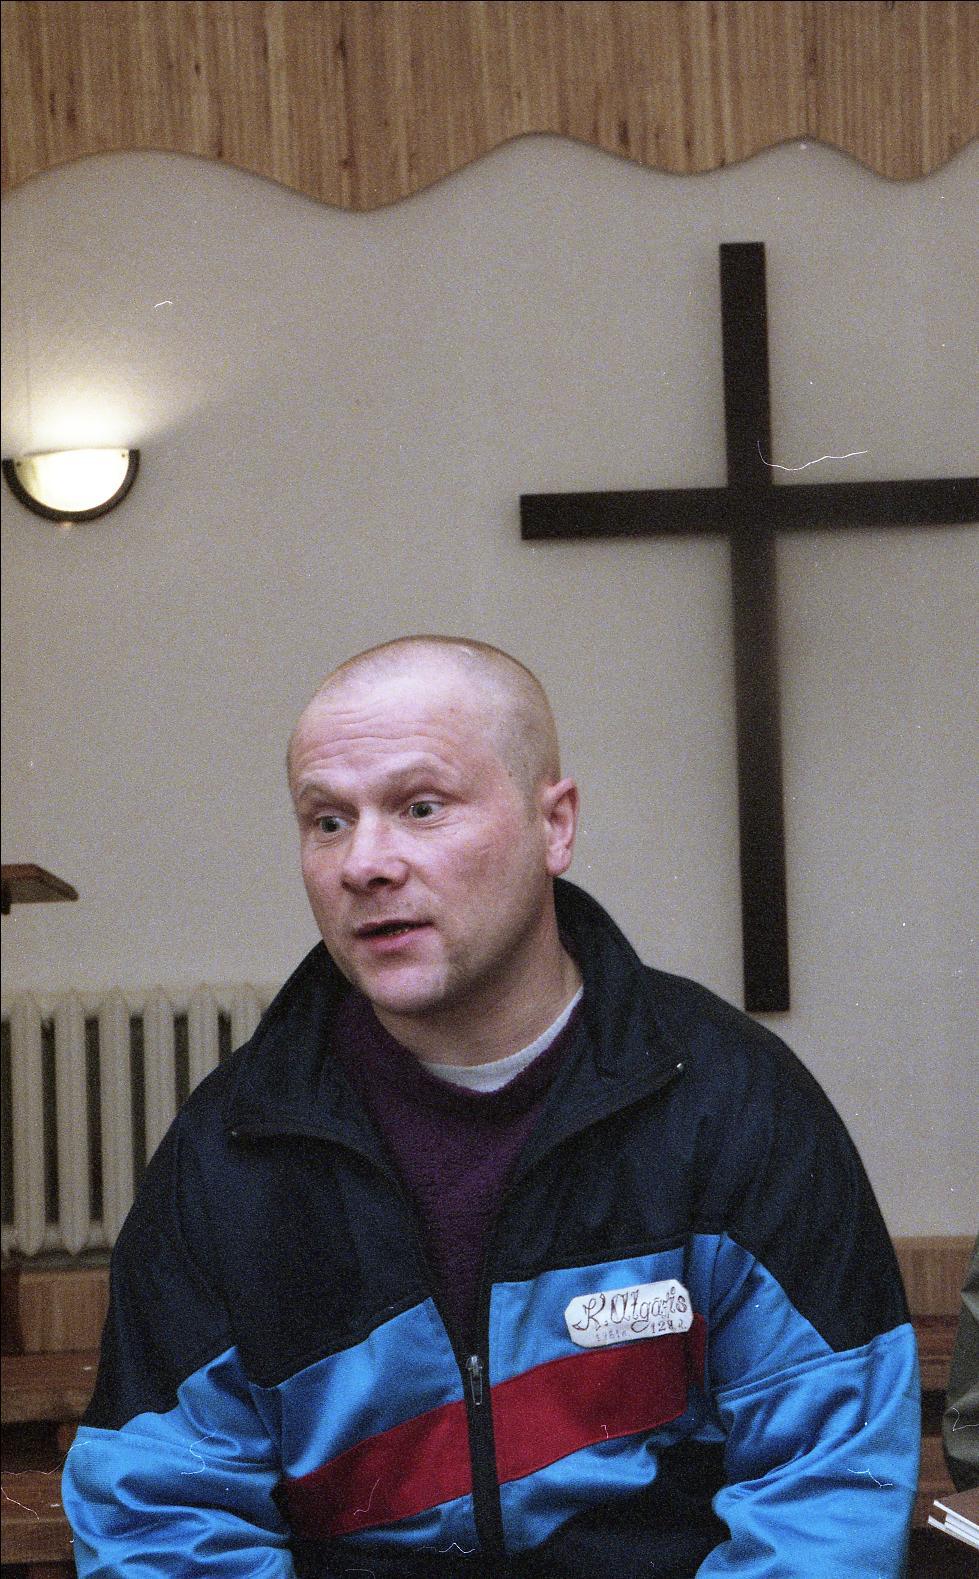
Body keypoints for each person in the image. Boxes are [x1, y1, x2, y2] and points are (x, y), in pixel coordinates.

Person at [62, 635, 920, 1577]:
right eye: (327, 821)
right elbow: (163, 1514)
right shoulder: (231, 1150)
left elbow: (824, 1487)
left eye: (420, 807)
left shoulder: (730, 1103)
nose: (364, 863)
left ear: (555, 825)